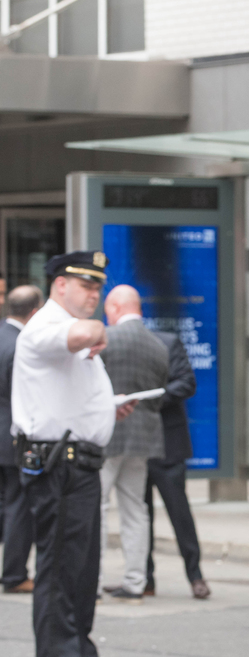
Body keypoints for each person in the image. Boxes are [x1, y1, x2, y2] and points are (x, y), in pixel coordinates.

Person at [12, 251, 135, 657]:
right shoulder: (47, 326)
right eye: (86, 286)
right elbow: (84, 334)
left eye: (98, 287)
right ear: (60, 285)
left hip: (78, 465)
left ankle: (77, 646)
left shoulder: (66, 327)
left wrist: (108, 407)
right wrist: (98, 329)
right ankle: (59, 650)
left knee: (81, 571)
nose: (94, 294)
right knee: (62, 570)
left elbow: (66, 396)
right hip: (58, 466)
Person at [99, 285, 170, 603]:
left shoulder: (105, 338)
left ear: (115, 307)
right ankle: (135, 581)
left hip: (106, 435)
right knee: (135, 510)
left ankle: (92, 580)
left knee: (97, 508)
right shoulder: (158, 345)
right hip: (143, 438)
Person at [144, 327, 210, 600]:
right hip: (136, 447)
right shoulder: (115, 343)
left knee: (179, 514)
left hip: (168, 444)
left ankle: (196, 576)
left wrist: (147, 400)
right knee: (139, 517)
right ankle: (145, 579)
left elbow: (186, 383)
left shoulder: (168, 342)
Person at [0, 285, 43, 594]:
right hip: (11, 436)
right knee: (18, 504)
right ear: (34, 312)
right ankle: (15, 575)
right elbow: (25, 396)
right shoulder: (21, 345)